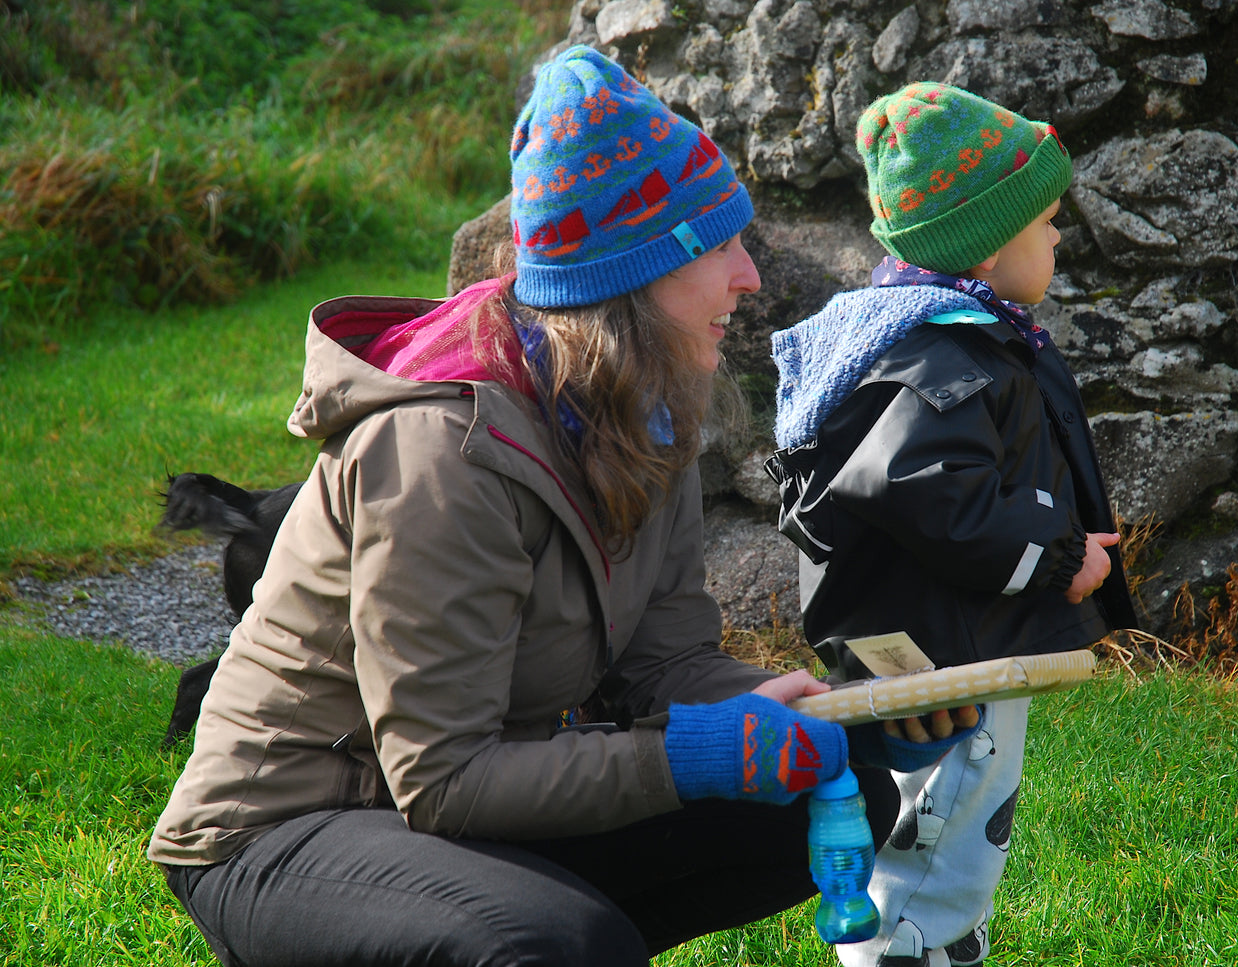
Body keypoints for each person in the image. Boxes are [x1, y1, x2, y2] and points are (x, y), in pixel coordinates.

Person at [148, 45, 911, 967]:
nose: (748, 276)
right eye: (718, 247)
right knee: (552, 943)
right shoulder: (440, 450)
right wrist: (686, 758)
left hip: (436, 809)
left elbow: (665, 664)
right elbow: (443, 780)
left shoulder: (647, 408)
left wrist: (839, 712)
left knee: (833, 788)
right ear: (629, 280)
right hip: (285, 828)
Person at [767, 82, 1139, 967]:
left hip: (950, 625)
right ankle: (907, 948)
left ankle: (938, 941)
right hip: (952, 643)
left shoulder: (936, 336)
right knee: (947, 806)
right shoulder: (947, 355)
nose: (1056, 237)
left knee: (952, 801)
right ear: (986, 243)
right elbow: (929, 490)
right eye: (1045, 222)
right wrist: (1054, 559)